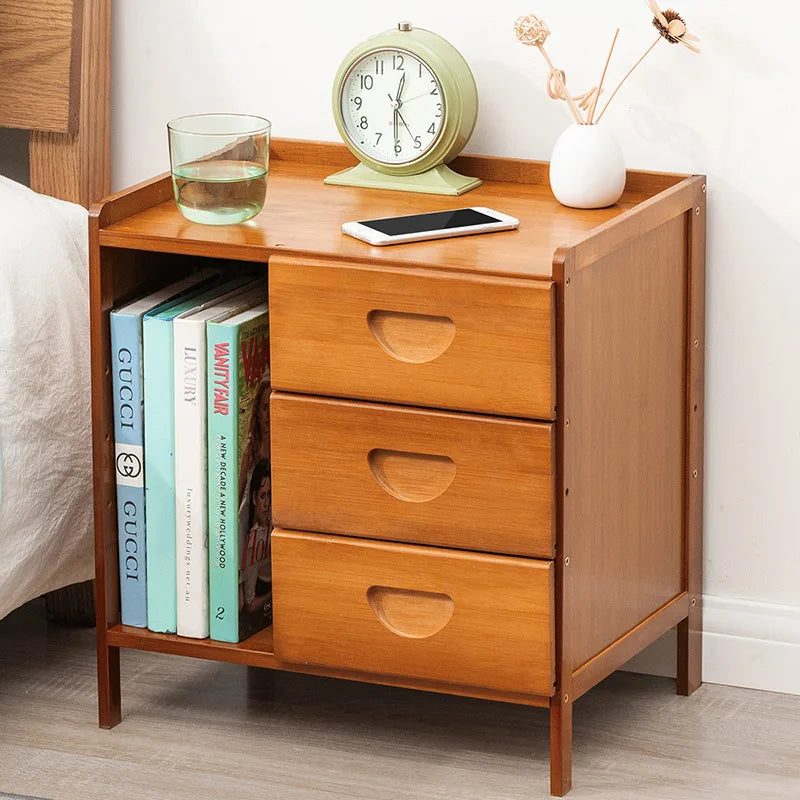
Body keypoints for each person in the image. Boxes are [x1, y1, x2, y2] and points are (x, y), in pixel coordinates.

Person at [238, 458, 272, 626]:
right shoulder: (252, 540)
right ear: (253, 498)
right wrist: (271, 595)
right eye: (262, 496)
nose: (266, 504)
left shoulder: (271, 519)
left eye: (270, 495)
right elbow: (250, 606)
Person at [238, 376, 270, 503]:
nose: (269, 414)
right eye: (265, 408)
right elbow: (237, 500)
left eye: (272, 406)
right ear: (258, 414)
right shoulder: (250, 452)